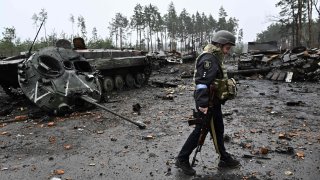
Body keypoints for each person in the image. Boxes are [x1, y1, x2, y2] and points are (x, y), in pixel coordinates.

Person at [175, 30, 240, 175]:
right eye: (227, 48)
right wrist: (203, 104)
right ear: (219, 44)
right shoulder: (209, 59)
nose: (228, 52)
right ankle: (182, 158)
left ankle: (223, 157)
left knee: (218, 129)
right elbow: (202, 83)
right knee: (200, 131)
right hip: (207, 103)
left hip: (214, 102)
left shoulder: (215, 58)